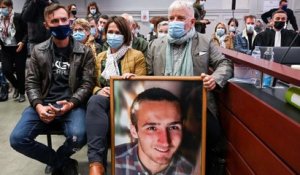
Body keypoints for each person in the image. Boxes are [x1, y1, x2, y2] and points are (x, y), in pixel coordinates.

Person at [147, 0, 232, 173]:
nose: (174, 22)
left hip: (197, 104)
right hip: (163, 105)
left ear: (192, 22)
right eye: (171, 18)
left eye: (180, 18)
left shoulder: (204, 42)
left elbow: (225, 64)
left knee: (211, 133)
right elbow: (146, 76)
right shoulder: (155, 45)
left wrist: (214, 78)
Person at [10, 4, 95, 175]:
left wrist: (71, 104)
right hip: (43, 103)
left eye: (64, 19)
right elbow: (31, 83)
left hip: (72, 106)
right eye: (54, 21)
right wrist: (39, 106)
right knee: (17, 139)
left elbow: (87, 84)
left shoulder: (84, 52)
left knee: (79, 136)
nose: (60, 23)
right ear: (46, 25)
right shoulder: (38, 50)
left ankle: (57, 161)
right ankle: (62, 162)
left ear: (70, 22)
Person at [86, 16, 147, 175]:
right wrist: (98, 90)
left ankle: (102, 164)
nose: (113, 35)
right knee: (95, 100)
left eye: (117, 32)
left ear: (126, 34)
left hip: (127, 100)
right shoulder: (100, 57)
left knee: (99, 115)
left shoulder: (137, 55)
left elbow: (143, 85)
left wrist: (131, 81)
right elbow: (92, 83)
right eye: (110, 32)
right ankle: (96, 164)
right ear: (105, 34)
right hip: (104, 101)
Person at [115, 87, 194, 175]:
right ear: (134, 131)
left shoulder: (191, 171)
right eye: (152, 128)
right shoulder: (113, 162)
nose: (165, 143)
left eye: (173, 127)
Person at [0, 0, 27, 102]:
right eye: (0, 8)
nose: (1, 10)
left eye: (3, 7)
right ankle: (17, 86)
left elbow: (27, 31)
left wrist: (23, 42)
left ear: (10, 6)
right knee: (6, 70)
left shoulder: (18, 17)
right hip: (5, 49)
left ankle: (21, 93)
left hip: (19, 48)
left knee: (20, 72)